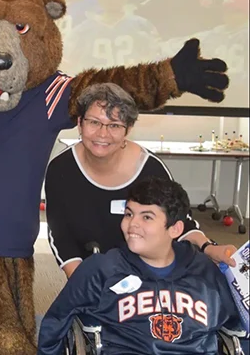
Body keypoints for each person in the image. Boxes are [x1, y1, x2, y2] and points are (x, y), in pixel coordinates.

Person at [44, 83, 236, 279]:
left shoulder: (149, 169)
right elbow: (61, 236)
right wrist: (83, 283)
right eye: (94, 122)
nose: (102, 134)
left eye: (114, 125)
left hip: (146, 275)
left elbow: (178, 223)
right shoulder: (61, 169)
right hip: (89, 272)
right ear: (79, 123)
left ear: (128, 130)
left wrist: (209, 248)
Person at [38, 176, 241, 354]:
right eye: (128, 214)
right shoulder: (102, 269)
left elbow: (239, 328)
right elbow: (56, 322)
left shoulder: (205, 272)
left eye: (146, 217)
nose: (132, 224)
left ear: (175, 229)